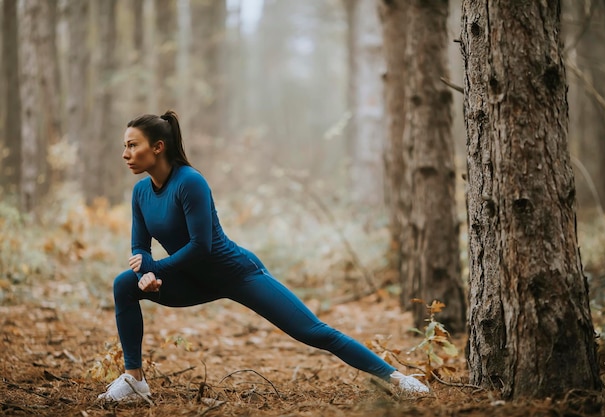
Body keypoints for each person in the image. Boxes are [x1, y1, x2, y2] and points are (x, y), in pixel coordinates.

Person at [97, 110, 429, 402]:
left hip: (237, 274)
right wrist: (145, 274)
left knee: (313, 331)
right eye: (125, 146)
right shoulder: (141, 192)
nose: (125, 154)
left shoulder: (190, 182)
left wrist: (155, 267)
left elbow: (202, 247)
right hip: (192, 280)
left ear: (158, 147)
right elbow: (140, 248)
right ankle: (135, 380)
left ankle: (398, 379)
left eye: (132, 145)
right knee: (125, 284)